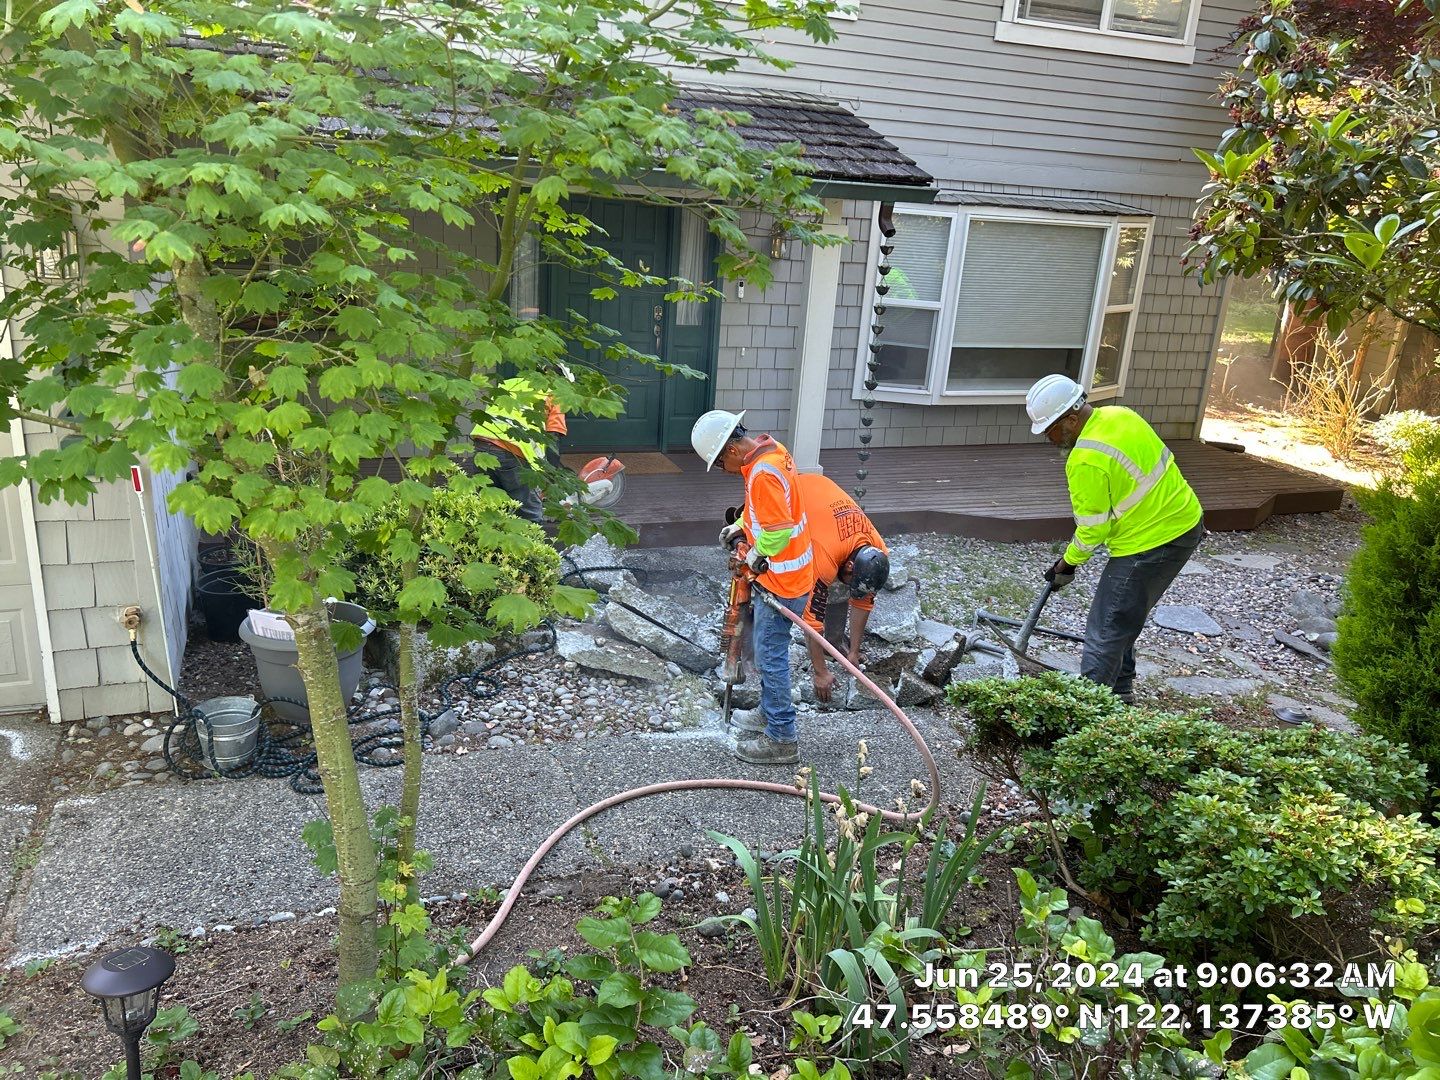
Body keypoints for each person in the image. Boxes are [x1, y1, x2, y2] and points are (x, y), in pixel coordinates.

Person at [1026, 374, 1205, 705]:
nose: (1049, 438)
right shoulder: (1121, 415)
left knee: (1106, 626)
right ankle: (1121, 693)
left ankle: (1086, 714)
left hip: (1150, 543)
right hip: (1185, 522)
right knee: (1124, 614)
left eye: (1051, 429)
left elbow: (1093, 530)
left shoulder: (1085, 459)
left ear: (1072, 418)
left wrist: (1066, 564)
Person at [691, 409, 814, 765]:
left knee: (770, 658)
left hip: (782, 580)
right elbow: (766, 513)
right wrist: (740, 525)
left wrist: (756, 555)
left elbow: (776, 531)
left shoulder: (761, 473)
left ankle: (782, 738)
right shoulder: (771, 453)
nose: (721, 471)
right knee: (766, 653)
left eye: (718, 464)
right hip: (791, 574)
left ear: (730, 450)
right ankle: (768, 711)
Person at [792, 471, 890, 703]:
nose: (852, 591)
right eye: (851, 581)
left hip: (823, 496)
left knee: (841, 586)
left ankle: (835, 641)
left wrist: (854, 651)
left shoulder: (878, 552)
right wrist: (820, 672)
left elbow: (863, 601)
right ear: (849, 565)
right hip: (793, 493)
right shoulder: (823, 558)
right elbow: (811, 622)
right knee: (805, 584)